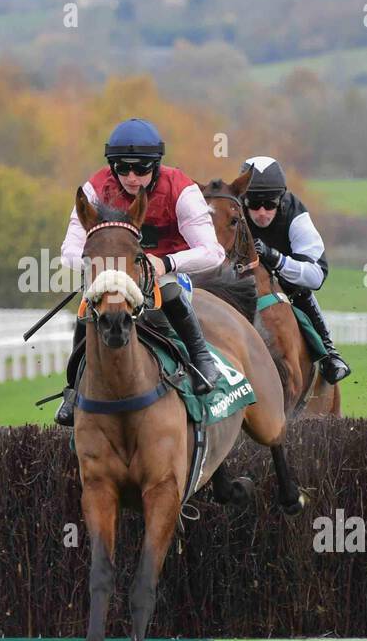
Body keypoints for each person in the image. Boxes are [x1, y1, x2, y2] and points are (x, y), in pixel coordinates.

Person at [53, 118, 224, 427]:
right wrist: (103, 268)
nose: (132, 177)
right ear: (111, 166)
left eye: (142, 169)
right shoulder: (94, 188)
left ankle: (202, 360)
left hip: (165, 270)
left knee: (169, 290)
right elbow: (69, 250)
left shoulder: (181, 190)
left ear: (156, 166)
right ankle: (74, 387)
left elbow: (213, 252)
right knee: (86, 306)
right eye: (123, 168)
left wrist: (167, 263)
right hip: (114, 274)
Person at [239, 156, 351, 384]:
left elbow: (316, 276)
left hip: (287, 284)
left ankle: (330, 354)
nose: (262, 213)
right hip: (241, 282)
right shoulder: (232, 211)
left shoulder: (296, 214)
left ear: (281, 199)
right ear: (243, 199)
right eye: (254, 204)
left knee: (301, 290)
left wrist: (276, 259)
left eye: (270, 204)